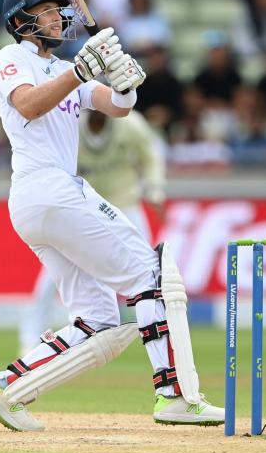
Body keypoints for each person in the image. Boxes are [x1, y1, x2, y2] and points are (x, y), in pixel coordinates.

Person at [0, 0, 222, 431]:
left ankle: (5, 389)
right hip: (46, 187)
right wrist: (80, 71)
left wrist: (124, 85)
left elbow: (115, 107)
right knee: (150, 275)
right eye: (46, 11)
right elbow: (29, 106)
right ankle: (176, 396)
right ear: (21, 22)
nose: (57, 18)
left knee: (98, 319)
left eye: (57, 10)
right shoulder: (11, 58)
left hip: (44, 199)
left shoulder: (67, 68)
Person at [19, 109, 166, 353]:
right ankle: (29, 339)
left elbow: (151, 156)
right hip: (84, 206)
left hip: (125, 202)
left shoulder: (131, 125)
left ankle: (159, 334)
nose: (100, 114)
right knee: (52, 274)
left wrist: (155, 189)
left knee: (149, 269)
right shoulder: (71, 126)